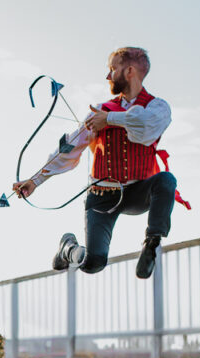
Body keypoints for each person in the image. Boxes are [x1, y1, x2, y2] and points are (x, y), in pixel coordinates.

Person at [11, 46, 185, 279]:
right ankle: (68, 248)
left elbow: (145, 128)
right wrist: (35, 180)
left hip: (138, 192)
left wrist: (110, 119)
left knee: (166, 180)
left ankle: (152, 243)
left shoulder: (157, 107)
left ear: (129, 71)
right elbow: (70, 147)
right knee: (93, 263)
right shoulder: (100, 111)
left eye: (113, 69)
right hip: (102, 196)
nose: (108, 76)